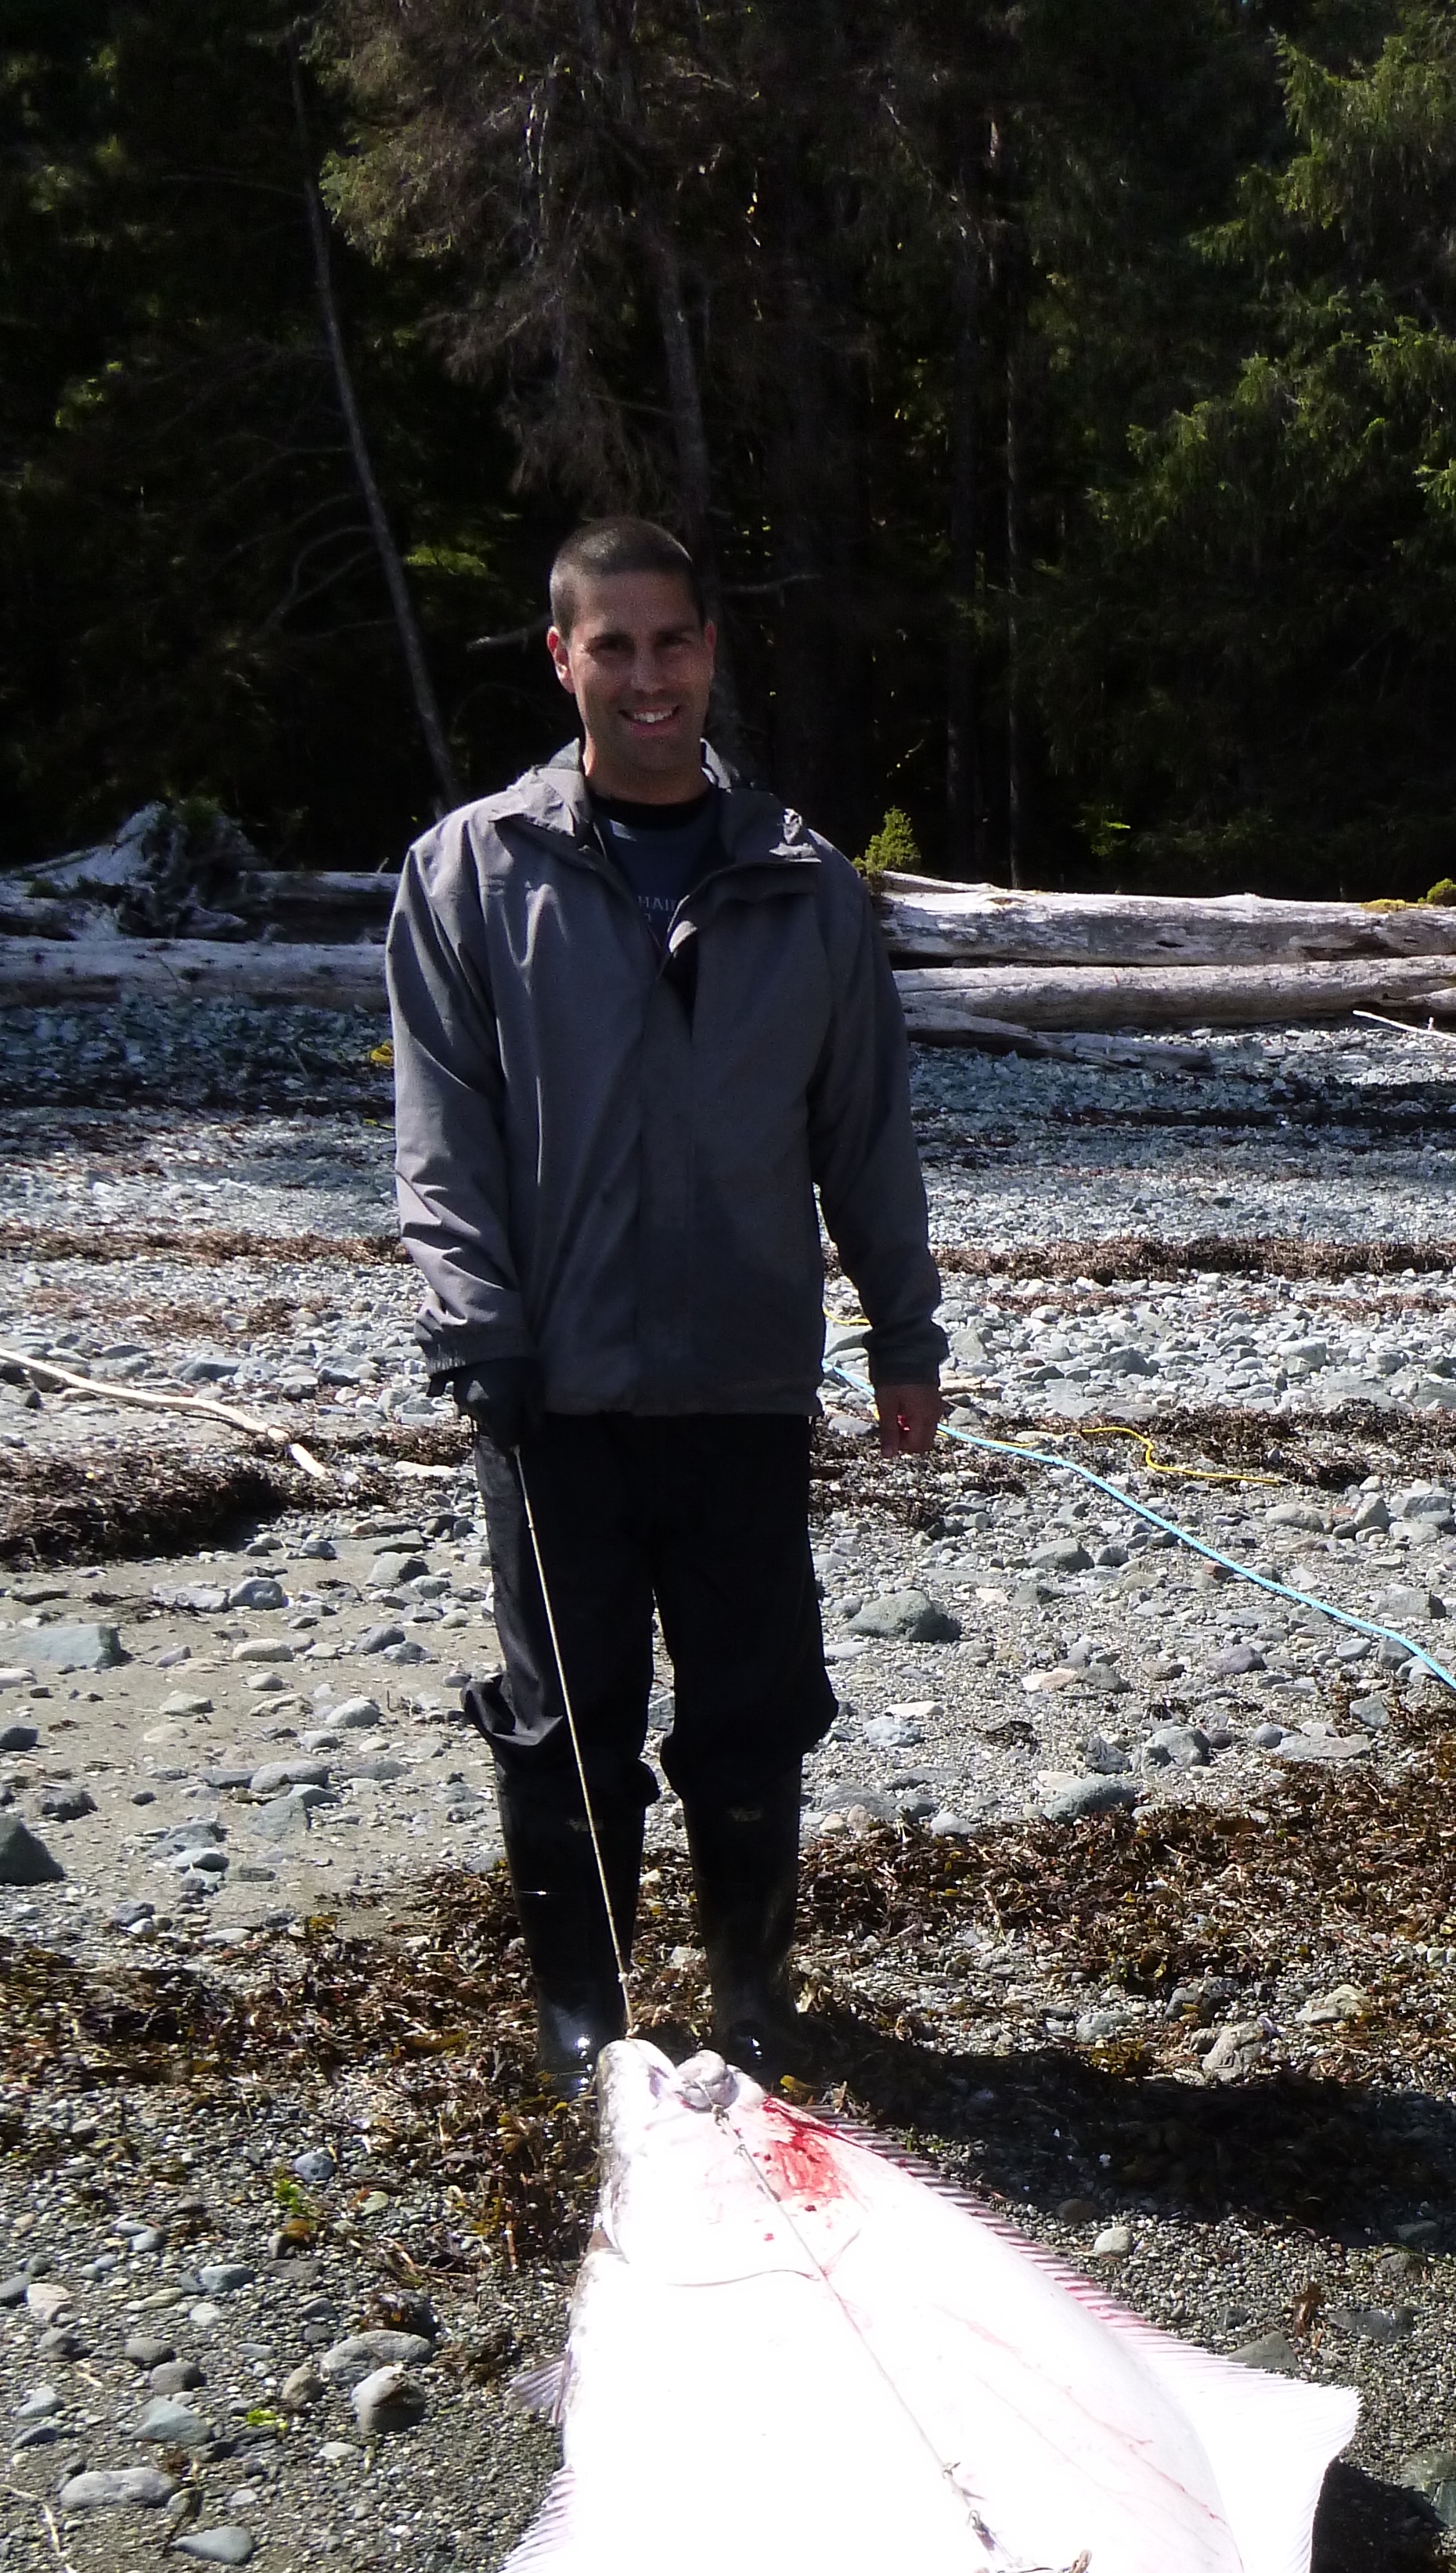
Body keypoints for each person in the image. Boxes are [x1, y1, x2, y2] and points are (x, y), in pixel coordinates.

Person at [386, 515, 944, 2092]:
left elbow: (865, 1139)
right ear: (561, 658)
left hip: (747, 1386)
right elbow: (445, 1138)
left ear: (711, 652)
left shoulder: (804, 888)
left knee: (754, 1712)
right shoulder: (471, 875)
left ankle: (755, 2001)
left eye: (672, 641)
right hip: (549, 1390)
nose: (646, 675)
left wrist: (904, 1341)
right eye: (610, 644)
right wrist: (479, 1331)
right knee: (566, 1717)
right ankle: (589, 2013)